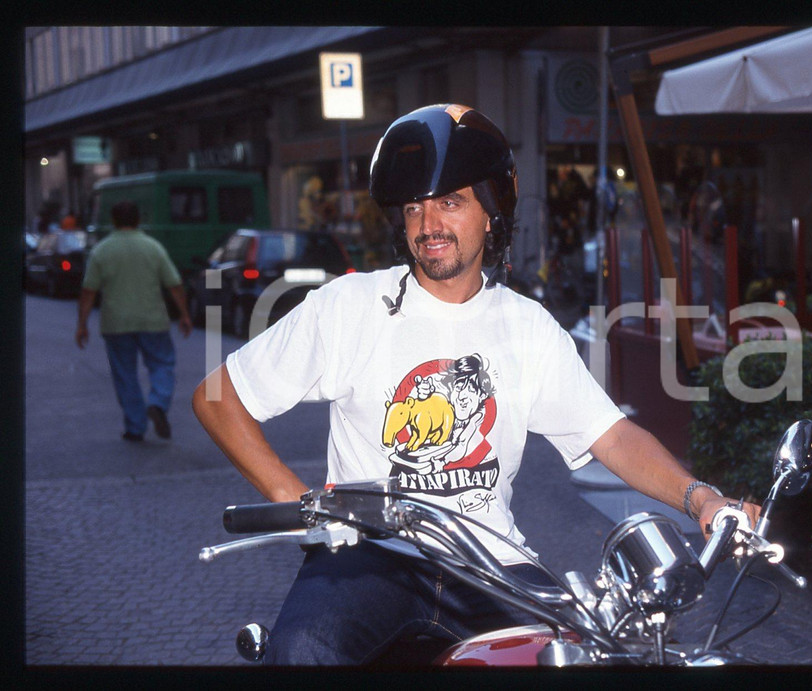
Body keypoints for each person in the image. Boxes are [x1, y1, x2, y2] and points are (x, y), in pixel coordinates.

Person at [192, 104, 760, 665]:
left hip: (491, 561)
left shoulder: (527, 325)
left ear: (490, 213)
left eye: (450, 202)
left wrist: (701, 497)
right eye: (414, 207)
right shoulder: (350, 306)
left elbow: (609, 435)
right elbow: (218, 397)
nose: (429, 224)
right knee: (302, 653)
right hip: (368, 558)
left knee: (586, 653)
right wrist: (298, 500)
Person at [76, 200, 192, 441]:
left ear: (114, 221)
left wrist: (82, 324)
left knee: (125, 374)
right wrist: (184, 314)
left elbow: (89, 291)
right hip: (153, 320)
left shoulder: (102, 250)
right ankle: (158, 402)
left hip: (116, 323)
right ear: (138, 219)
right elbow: (174, 284)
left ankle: (135, 426)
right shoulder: (153, 247)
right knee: (162, 364)